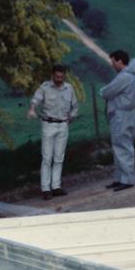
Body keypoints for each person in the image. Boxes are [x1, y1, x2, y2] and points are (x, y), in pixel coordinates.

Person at [27, 64, 79, 200]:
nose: (59, 79)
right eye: (57, 76)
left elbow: (75, 107)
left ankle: (56, 186)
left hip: (63, 125)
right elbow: (35, 99)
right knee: (47, 157)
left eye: (62, 77)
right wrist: (32, 109)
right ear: (52, 75)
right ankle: (45, 189)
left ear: (65, 76)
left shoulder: (69, 88)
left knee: (59, 157)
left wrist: (70, 118)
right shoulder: (45, 87)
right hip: (48, 125)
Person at [100, 49, 135, 191]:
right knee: (121, 144)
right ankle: (120, 177)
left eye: (113, 62)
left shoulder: (124, 77)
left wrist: (102, 91)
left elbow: (107, 91)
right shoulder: (134, 76)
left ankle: (127, 179)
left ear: (119, 61)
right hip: (129, 113)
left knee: (122, 145)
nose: (112, 65)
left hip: (121, 114)